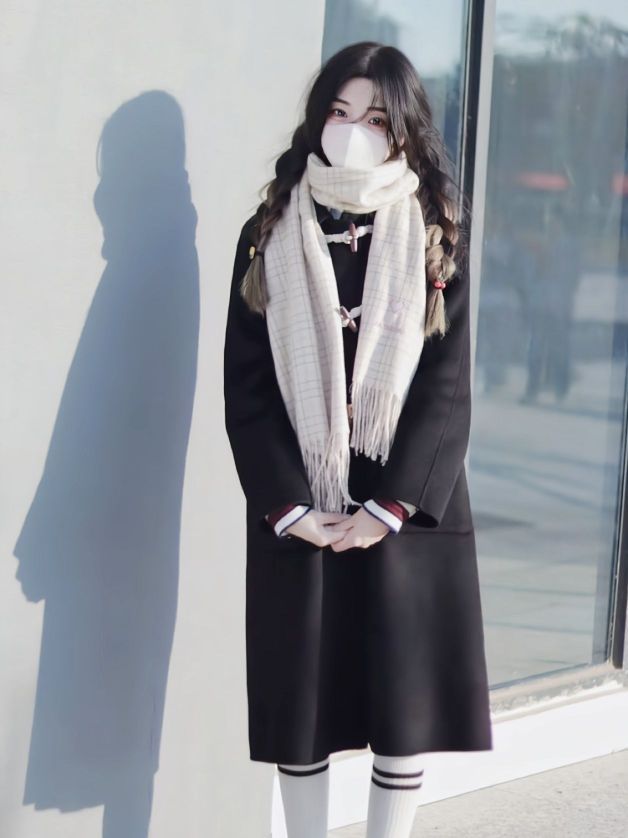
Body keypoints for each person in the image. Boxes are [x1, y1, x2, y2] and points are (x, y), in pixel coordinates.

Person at [223, 41, 493, 838]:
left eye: (374, 119)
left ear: (404, 129)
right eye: (339, 113)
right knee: (302, 704)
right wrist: (289, 506)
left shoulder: (436, 231)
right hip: (304, 497)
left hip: (402, 501)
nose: (352, 132)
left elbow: (447, 386)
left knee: (402, 703)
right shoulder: (268, 230)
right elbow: (247, 385)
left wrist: (391, 506)